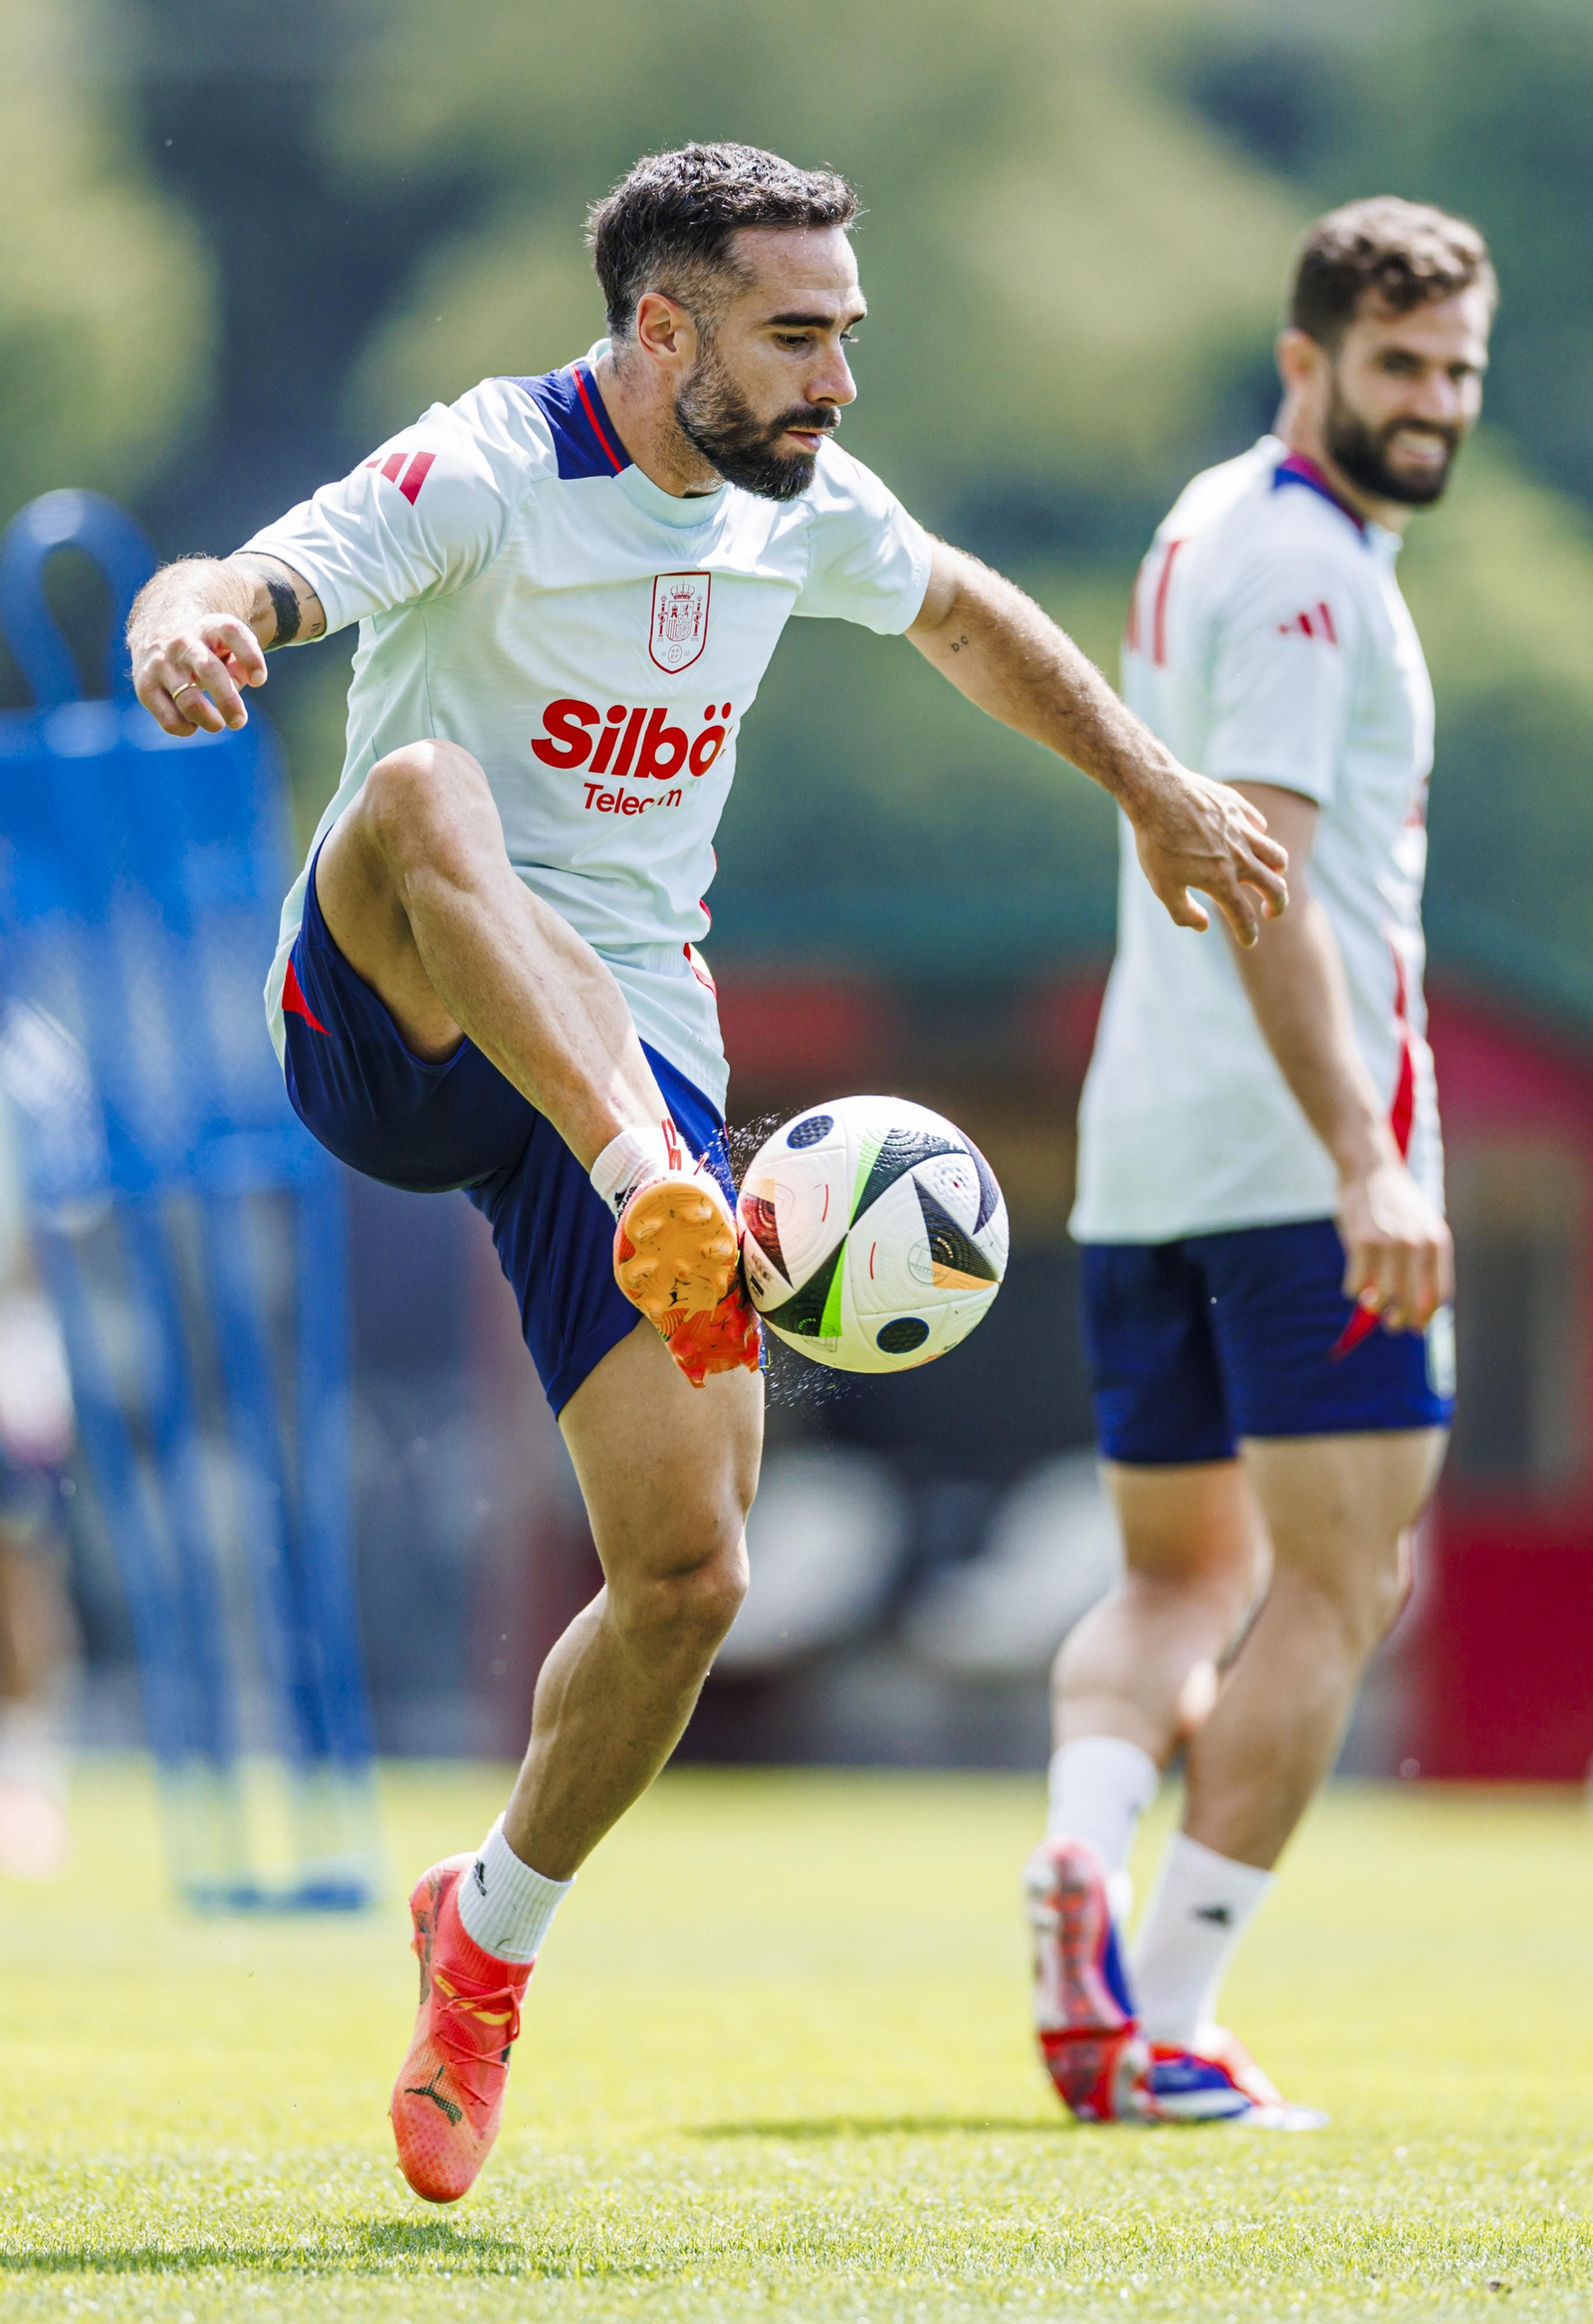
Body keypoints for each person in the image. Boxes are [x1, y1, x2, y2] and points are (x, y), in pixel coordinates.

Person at [126, 142, 1286, 2204]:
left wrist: (1156, 788)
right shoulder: (482, 468)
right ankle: (649, 1170)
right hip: (396, 1011)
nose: (838, 374)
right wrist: (189, 632)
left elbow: (965, 618)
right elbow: (231, 582)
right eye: (796, 332)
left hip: (631, 1045)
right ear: (661, 332)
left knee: (690, 1579)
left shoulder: (798, 509)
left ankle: (482, 1941)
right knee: (415, 787)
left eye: (846, 329)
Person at [1026, 197, 1493, 2128]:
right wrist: (1359, 1161)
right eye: (1396, 366)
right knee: (1342, 1572)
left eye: (1458, 370)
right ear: (1302, 360)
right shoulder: (1304, 567)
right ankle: (1178, 2019)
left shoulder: (1207, 518)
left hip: (1138, 1149)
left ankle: (1077, 1844)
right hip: (1296, 1158)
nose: (1432, 405)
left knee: (1172, 1579)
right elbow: (1270, 870)